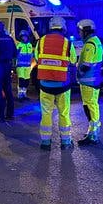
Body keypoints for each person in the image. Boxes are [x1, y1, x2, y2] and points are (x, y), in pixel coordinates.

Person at [34, 16, 77, 150]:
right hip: (63, 86)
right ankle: (66, 142)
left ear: (50, 27)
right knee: (64, 113)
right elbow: (73, 60)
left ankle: (46, 143)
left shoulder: (40, 41)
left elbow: (36, 57)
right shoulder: (67, 43)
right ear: (63, 27)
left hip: (45, 85)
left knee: (46, 113)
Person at [76, 19, 103, 146]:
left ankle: (93, 135)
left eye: (80, 31)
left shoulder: (89, 44)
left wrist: (78, 74)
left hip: (88, 81)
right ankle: (94, 132)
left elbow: (85, 65)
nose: (79, 34)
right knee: (93, 105)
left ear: (85, 31)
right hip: (95, 79)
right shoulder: (96, 41)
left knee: (89, 106)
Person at [15, 30, 34, 100]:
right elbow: (16, 55)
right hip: (20, 66)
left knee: (26, 81)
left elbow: (31, 55)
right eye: (23, 37)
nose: (24, 38)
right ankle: (20, 95)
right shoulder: (19, 45)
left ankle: (24, 94)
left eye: (25, 37)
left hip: (28, 66)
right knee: (21, 80)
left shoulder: (30, 45)